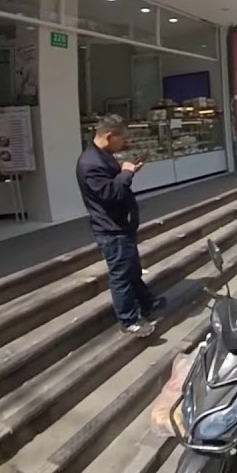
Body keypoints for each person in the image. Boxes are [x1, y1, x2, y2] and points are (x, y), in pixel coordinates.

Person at [76, 114, 165, 337]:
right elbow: (111, 193)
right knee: (121, 275)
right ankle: (129, 319)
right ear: (108, 135)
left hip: (121, 225)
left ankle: (147, 302)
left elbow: (115, 183)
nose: (123, 143)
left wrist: (128, 171)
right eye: (121, 138)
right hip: (110, 229)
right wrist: (126, 173)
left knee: (132, 268)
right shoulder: (90, 164)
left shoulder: (103, 155)